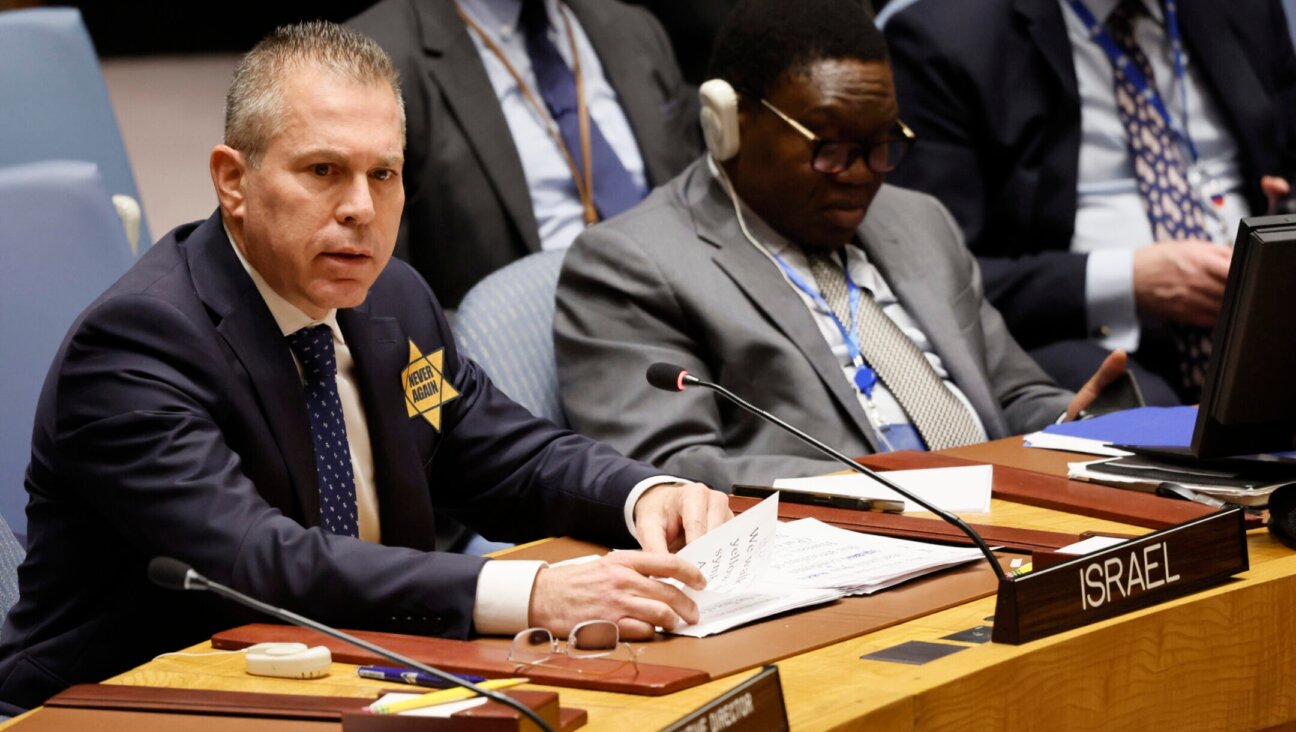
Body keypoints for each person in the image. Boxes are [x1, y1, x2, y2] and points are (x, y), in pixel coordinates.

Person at [0, 22, 731, 712]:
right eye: (324, 171)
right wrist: (532, 593)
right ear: (232, 181)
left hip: (364, 681)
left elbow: (508, 457)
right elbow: (257, 563)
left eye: (384, 174)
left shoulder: (392, 301)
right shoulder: (138, 344)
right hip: (132, 702)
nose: (360, 208)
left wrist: (644, 494)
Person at [553, 0, 1124, 492]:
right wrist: (896, 489)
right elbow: (669, 473)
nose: (862, 175)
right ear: (727, 122)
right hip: (838, 553)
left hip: (1006, 519)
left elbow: (1010, 393)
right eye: (829, 148)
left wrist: (1073, 426)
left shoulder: (919, 219)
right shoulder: (632, 263)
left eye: (881, 144)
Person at [882, 0, 1296, 403]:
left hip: (1257, 306)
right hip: (1075, 330)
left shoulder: (1246, 10)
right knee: (1143, 411)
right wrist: (1128, 280)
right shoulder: (945, 38)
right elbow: (935, 278)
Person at [348, 0, 702, 307]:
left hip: (689, 306)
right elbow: (385, 306)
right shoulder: (371, 59)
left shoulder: (634, 28)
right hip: (522, 354)